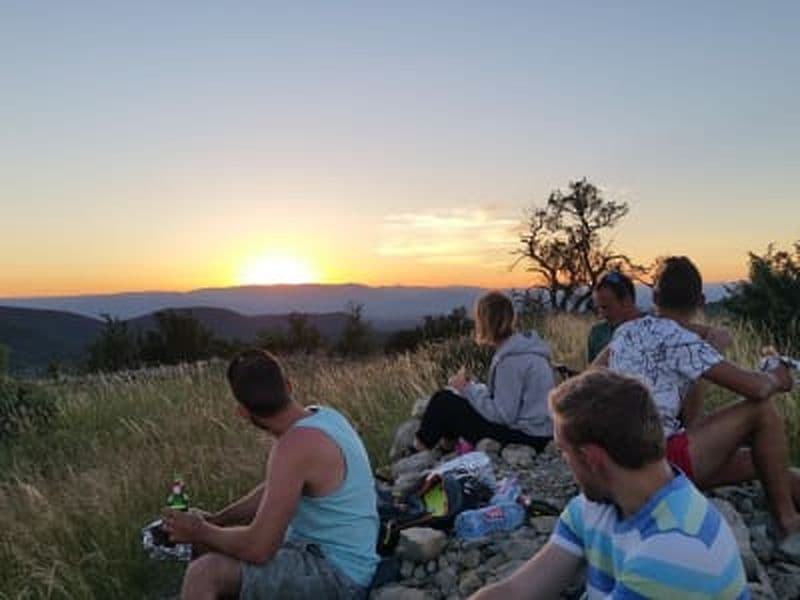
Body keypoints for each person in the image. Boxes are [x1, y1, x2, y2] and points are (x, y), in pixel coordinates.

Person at [471, 370, 749, 599]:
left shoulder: (674, 551)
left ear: (592, 458)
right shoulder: (596, 507)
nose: (564, 462)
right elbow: (517, 591)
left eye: (563, 451)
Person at [595, 256, 800, 558]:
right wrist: (780, 376)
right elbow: (756, 388)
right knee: (762, 411)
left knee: (767, 462)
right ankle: (788, 523)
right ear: (701, 300)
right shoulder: (683, 341)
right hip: (658, 464)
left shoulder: (624, 332)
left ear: (653, 297)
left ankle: (786, 507)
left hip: (620, 466)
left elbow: (588, 379)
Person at [161, 349, 379, 599]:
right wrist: (218, 519)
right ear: (288, 385)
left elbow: (259, 549)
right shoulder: (325, 416)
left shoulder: (293, 446)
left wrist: (200, 530)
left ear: (242, 411)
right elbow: (275, 491)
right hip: (328, 556)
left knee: (205, 573)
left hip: (339, 576)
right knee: (211, 541)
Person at [415, 291, 555, 453]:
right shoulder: (524, 349)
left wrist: (467, 389)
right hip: (540, 431)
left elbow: (503, 416)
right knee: (453, 400)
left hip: (528, 437)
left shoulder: (510, 360)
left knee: (444, 401)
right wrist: (473, 387)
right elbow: (507, 400)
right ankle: (446, 448)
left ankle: (418, 451)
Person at [586, 271, 642, 363]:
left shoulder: (655, 332)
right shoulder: (597, 333)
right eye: (598, 308)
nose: (602, 315)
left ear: (626, 301)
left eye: (606, 307)